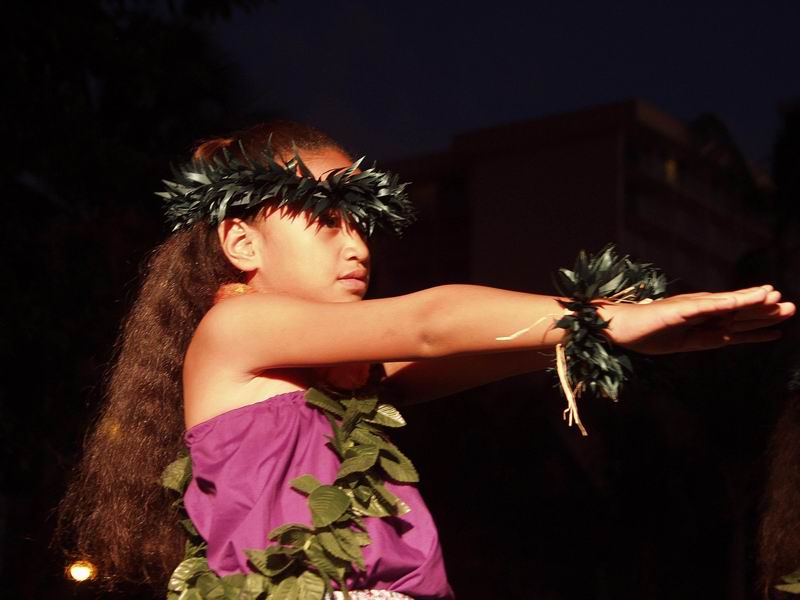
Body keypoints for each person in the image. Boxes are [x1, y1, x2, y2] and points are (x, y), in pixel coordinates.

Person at [56, 120, 796, 599]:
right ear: (241, 244)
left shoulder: (330, 375)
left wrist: (608, 336)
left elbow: (480, 350)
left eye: (363, 224)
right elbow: (432, 323)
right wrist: (614, 315)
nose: (359, 245)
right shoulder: (236, 328)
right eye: (327, 220)